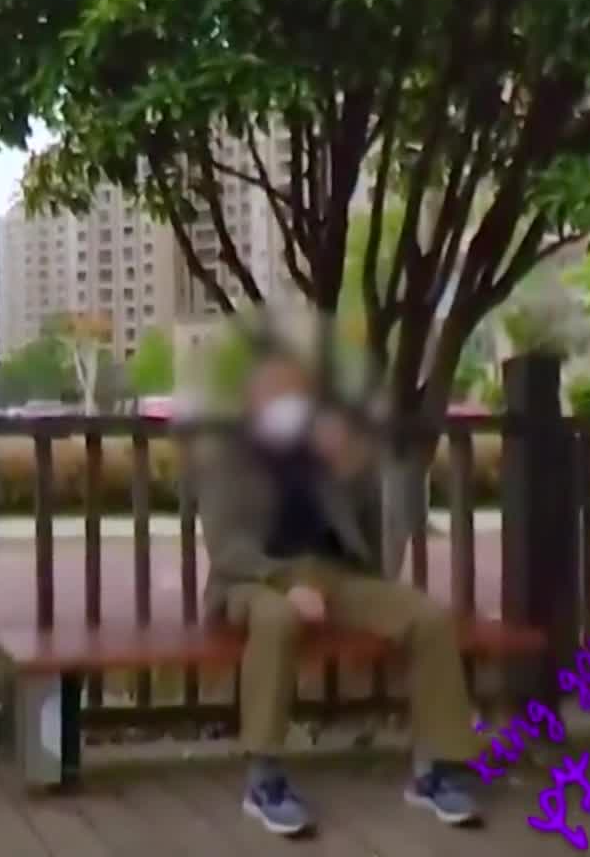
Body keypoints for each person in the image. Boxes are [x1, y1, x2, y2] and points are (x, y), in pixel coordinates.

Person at [195, 344, 482, 836]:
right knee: (277, 618)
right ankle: (264, 778)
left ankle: (435, 769)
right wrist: (287, 583)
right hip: (255, 578)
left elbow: (371, 530)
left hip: (336, 576)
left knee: (428, 618)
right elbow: (227, 547)